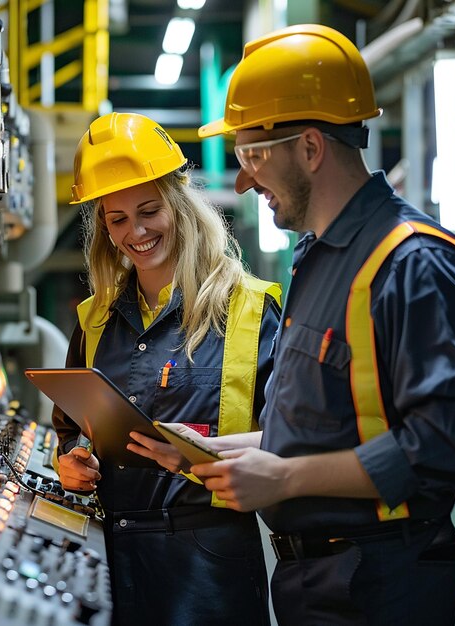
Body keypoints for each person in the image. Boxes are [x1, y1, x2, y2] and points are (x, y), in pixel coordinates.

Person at [138, 23, 455, 625]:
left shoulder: (414, 265)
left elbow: (450, 444)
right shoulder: (316, 259)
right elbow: (325, 428)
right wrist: (213, 452)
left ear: (309, 148)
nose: (243, 180)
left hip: (380, 583)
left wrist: (282, 478)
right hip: (316, 581)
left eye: (252, 155)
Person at [51, 111, 281, 626]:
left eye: (149, 210)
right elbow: (69, 432)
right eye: (117, 219)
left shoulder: (247, 309)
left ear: (179, 204)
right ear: (104, 228)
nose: (136, 232)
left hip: (209, 565)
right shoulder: (94, 320)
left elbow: (294, 435)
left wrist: (202, 456)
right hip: (111, 555)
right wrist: (71, 461)